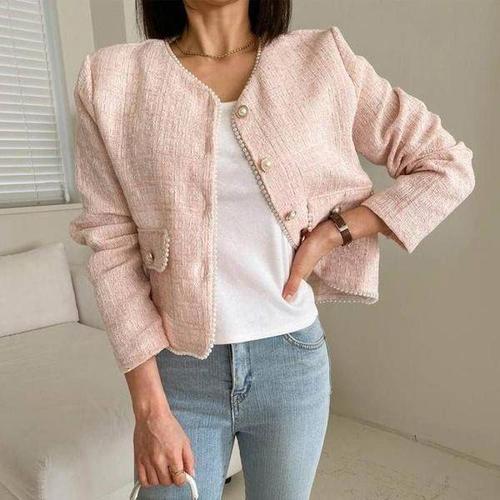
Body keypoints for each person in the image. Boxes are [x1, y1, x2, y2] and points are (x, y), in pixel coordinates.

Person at [68, 1, 475, 498]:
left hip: (291, 365)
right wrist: (149, 409)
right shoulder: (112, 80)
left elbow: (446, 165)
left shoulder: (322, 60)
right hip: (176, 375)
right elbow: (111, 244)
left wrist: (338, 230)